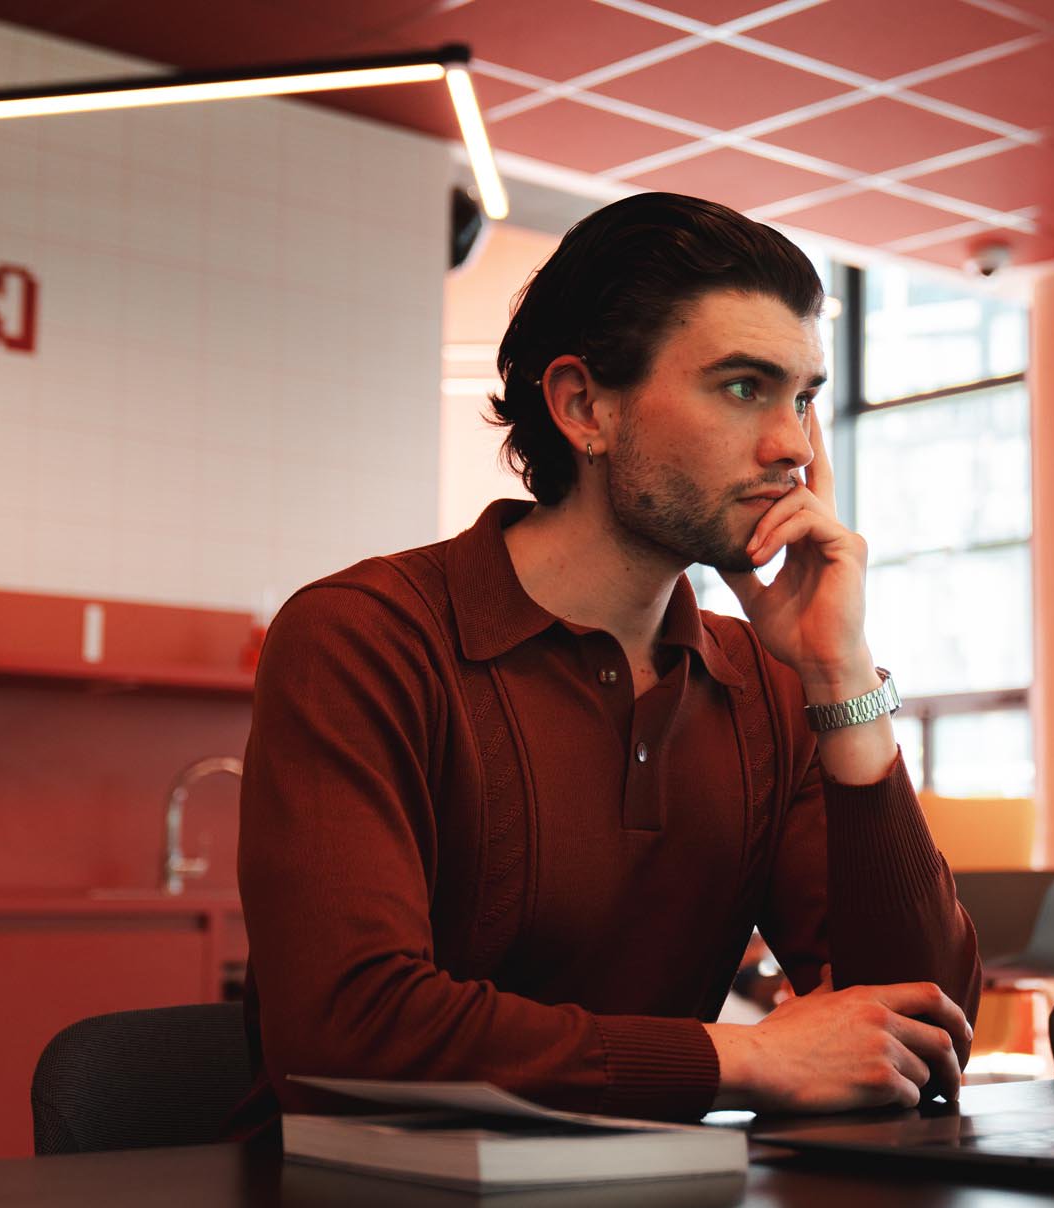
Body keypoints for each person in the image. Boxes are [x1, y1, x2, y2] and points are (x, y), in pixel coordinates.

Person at [231, 193, 980, 1128]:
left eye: (803, 398)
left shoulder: (769, 684)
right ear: (584, 406)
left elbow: (923, 1030)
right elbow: (346, 1027)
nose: (793, 444)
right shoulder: (364, 638)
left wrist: (841, 679)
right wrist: (740, 1057)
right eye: (743, 386)